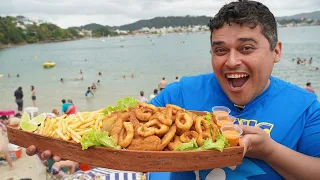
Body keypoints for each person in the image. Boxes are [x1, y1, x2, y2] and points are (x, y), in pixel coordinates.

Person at [25, 1, 320, 179]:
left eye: (246, 48)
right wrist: (68, 146)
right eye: (220, 50)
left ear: (276, 51)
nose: (232, 61)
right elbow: (122, 142)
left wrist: (268, 151)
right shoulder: (178, 94)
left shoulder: (306, 107)